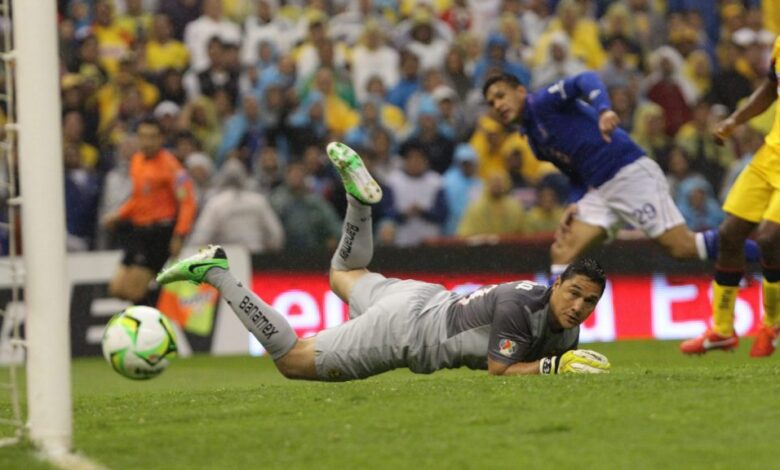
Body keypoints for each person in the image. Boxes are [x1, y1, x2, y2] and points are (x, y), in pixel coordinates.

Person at [157, 142, 611, 380]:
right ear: (555, 285)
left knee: (343, 274)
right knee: (291, 360)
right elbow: (502, 370)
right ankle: (215, 270)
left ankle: (359, 203)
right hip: (407, 332)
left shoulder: (565, 325)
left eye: (589, 301)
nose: (579, 306)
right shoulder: (522, 307)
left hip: (419, 296)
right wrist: (556, 367)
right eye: (573, 293)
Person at [482, 72, 760, 281]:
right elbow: (576, 174)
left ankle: (768, 256)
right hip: (601, 190)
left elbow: (584, 79)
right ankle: (555, 341)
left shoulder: (542, 102)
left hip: (628, 172)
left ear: (520, 91)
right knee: (562, 252)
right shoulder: (534, 141)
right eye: (491, 102)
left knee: (682, 247)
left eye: (500, 95)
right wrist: (574, 201)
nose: (497, 104)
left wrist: (603, 109)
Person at [680, 36, 780, 357]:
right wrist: (736, 120)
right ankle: (722, 330)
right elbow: (770, 87)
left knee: (769, 239)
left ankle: (772, 324)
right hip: (770, 157)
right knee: (729, 234)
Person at [103, 117, 197, 304]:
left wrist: (179, 234)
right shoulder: (137, 161)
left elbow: (188, 203)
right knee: (117, 288)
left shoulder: (172, 167)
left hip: (159, 233)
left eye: (152, 137)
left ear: (161, 139)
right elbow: (138, 199)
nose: (147, 142)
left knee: (133, 291)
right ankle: (156, 300)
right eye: (143, 137)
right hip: (138, 232)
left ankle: (154, 312)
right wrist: (119, 214)